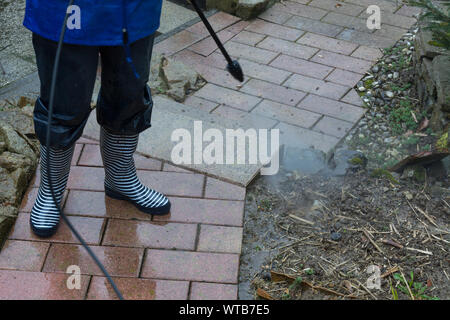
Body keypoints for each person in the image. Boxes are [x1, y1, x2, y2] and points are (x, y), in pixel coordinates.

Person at [24, 0, 171, 238]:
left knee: (128, 95)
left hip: (133, 7)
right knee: (62, 101)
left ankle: (120, 178)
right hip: (64, 9)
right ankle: (51, 189)